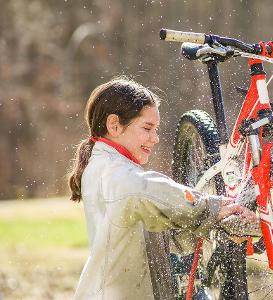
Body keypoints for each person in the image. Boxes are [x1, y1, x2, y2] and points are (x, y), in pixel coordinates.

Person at [67, 77, 256, 299]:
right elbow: (144, 188)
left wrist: (217, 227)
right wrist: (211, 206)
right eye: (147, 128)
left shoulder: (107, 168)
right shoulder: (112, 173)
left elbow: (164, 240)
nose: (155, 138)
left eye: (156, 129)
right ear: (114, 125)